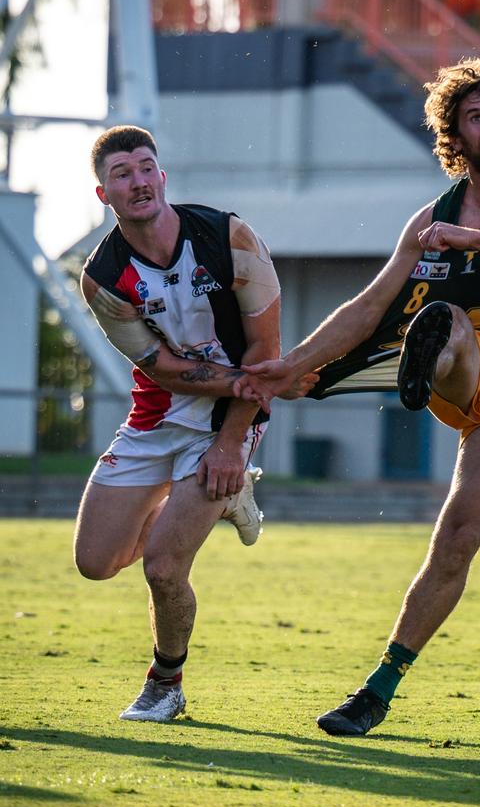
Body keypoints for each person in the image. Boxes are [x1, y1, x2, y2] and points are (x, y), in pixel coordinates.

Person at [236, 57, 480, 737]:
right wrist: (292, 365)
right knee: (447, 324)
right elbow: (368, 305)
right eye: (474, 117)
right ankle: (420, 359)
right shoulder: (430, 217)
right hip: (461, 362)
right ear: (453, 139)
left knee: (457, 538)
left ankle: (377, 688)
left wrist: (477, 242)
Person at [74, 124, 311, 723]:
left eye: (145, 167)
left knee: (162, 566)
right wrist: (250, 378)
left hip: (228, 421)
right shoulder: (103, 278)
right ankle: (210, 504)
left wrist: (232, 443)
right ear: (104, 196)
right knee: (95, 562)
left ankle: (166, 683)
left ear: (162, 176)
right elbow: (163, 368)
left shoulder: (229, 237)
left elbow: (264, 347)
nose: (138, 181)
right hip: (157, 413)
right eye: (121, 174)